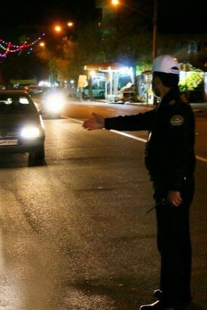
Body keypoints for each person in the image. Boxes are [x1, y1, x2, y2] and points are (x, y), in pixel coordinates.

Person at [82, 55, 196, 310]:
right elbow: (144, 120)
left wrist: (175, 186)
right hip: (171, 183)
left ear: (158, 79)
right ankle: (178, 293)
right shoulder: (169, 105)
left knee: (170, 243)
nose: (151, 84)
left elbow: (181, 150)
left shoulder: (174, 108)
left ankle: (170, 300)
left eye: (152, 80)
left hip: (173, 185)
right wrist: (106, 123)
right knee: (177, 241)